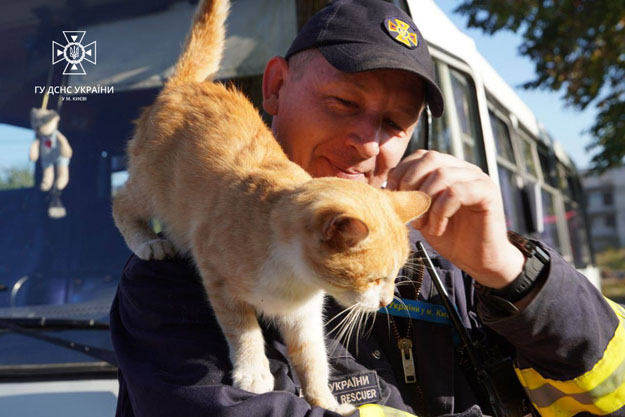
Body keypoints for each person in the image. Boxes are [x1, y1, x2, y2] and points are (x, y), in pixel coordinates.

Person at [110, 1, 625, 416]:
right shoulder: (173, 280)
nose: (366, 143)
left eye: (396, 124)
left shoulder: (449, 258)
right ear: (275, 88)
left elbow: (610, 395)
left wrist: (513, 274)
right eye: (343, 103)